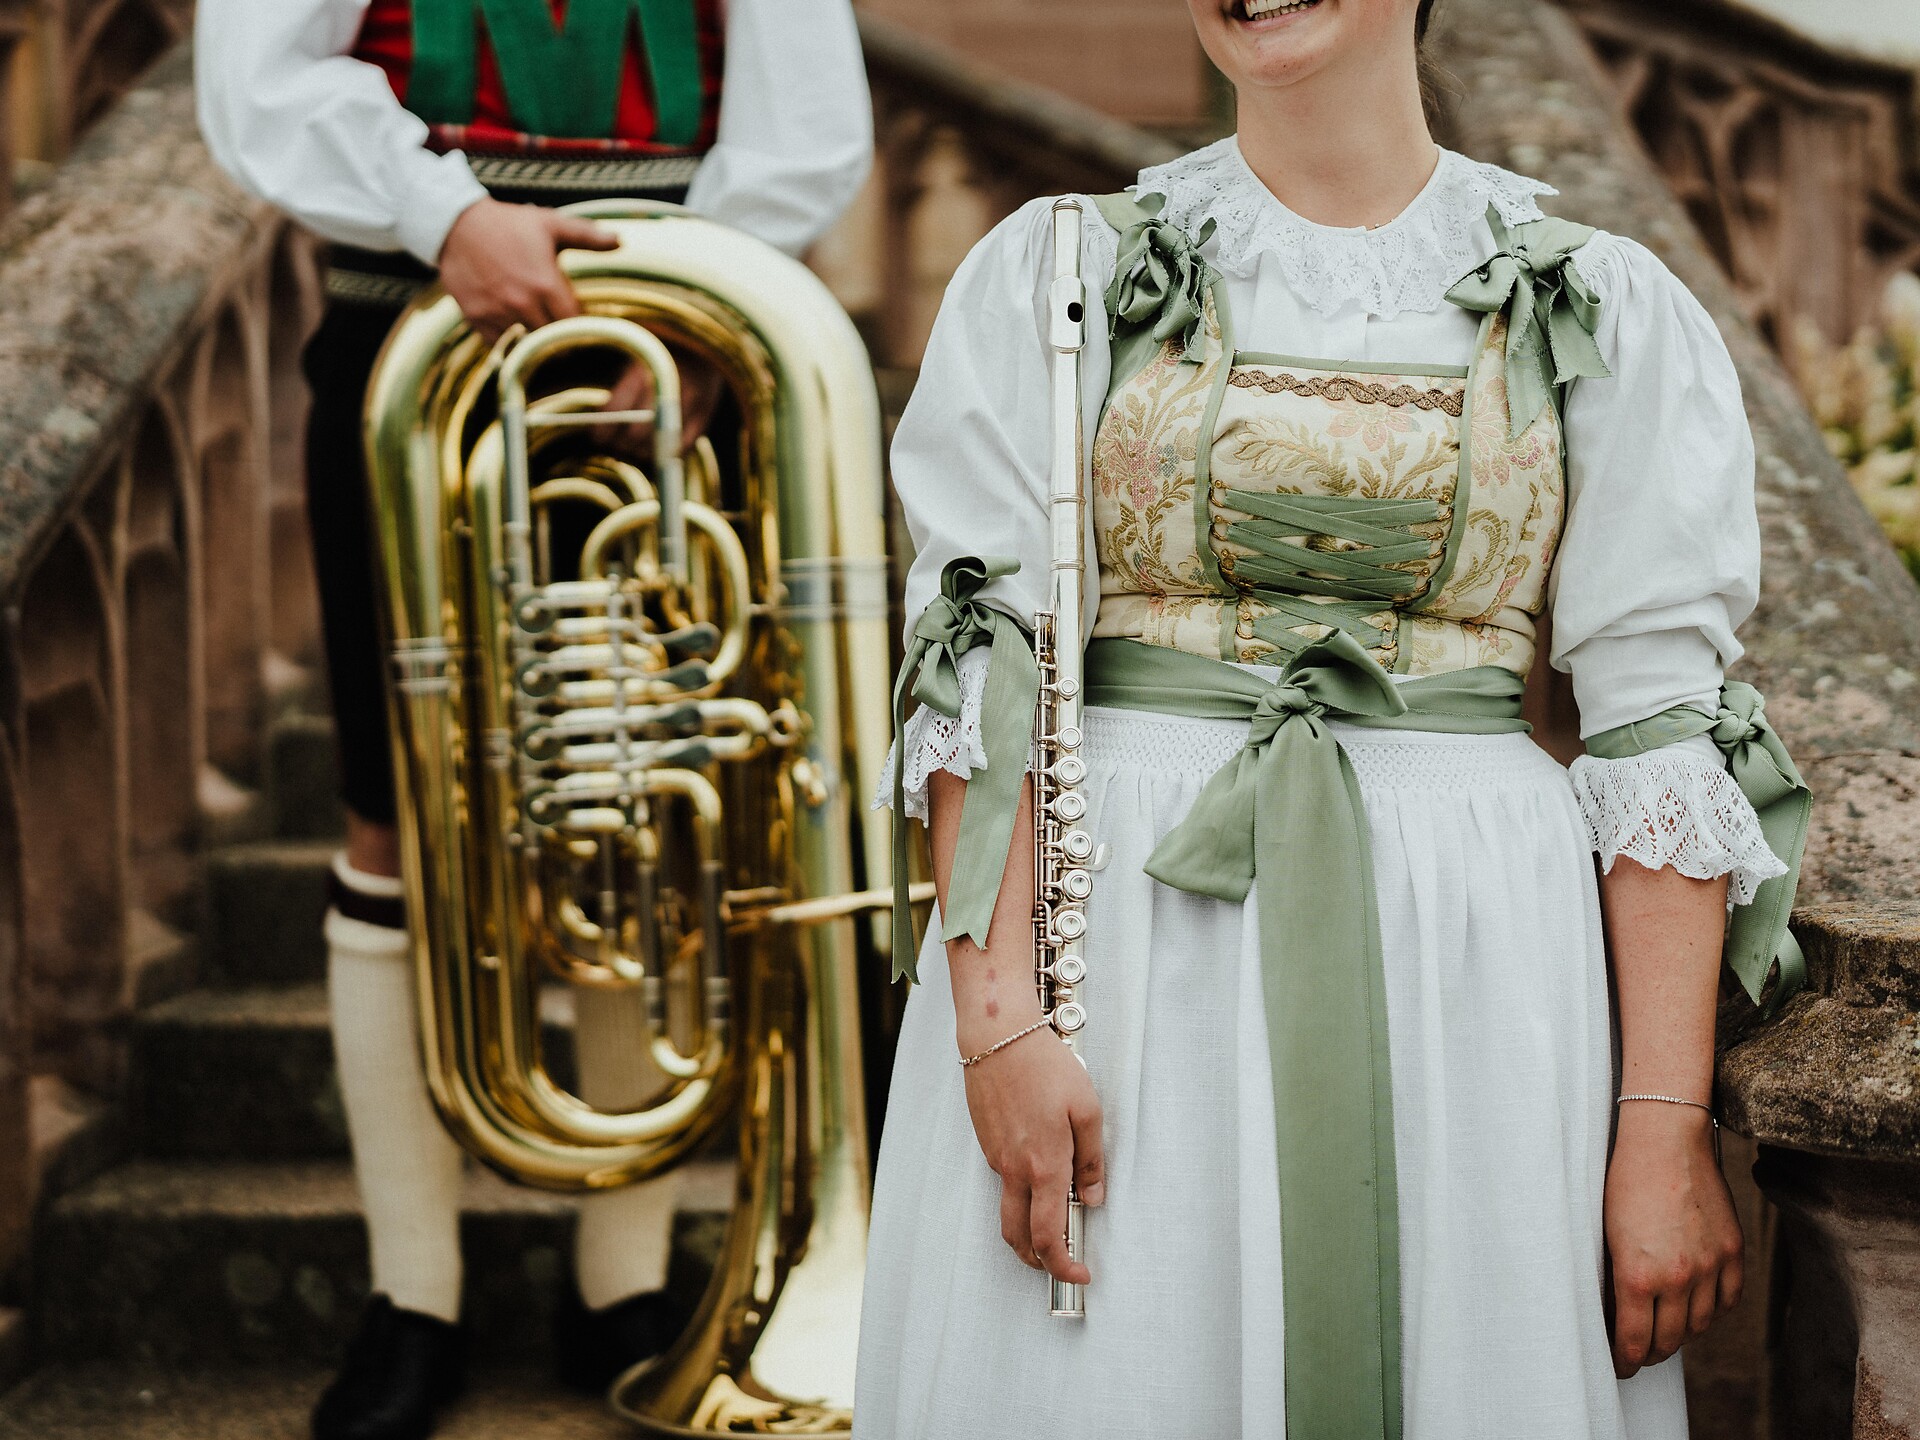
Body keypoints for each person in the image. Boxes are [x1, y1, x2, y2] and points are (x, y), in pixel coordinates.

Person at [859, 0, 1811, 1436]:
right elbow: (981, 651)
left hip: (1475, 966)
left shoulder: (1607, 304)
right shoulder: (1057, 271)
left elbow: (1657, 730)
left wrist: (1663, 1135)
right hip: (1111, 947)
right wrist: (1000, 1031)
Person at [193, 2, 871, 1436]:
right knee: (392, 814)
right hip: (409, 343)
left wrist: (710, 314)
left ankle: (620, 1282)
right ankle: (412, 1295)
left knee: (636, 793)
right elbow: (257, 69)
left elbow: (803, 104)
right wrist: (443, 212)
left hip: (666, 357)